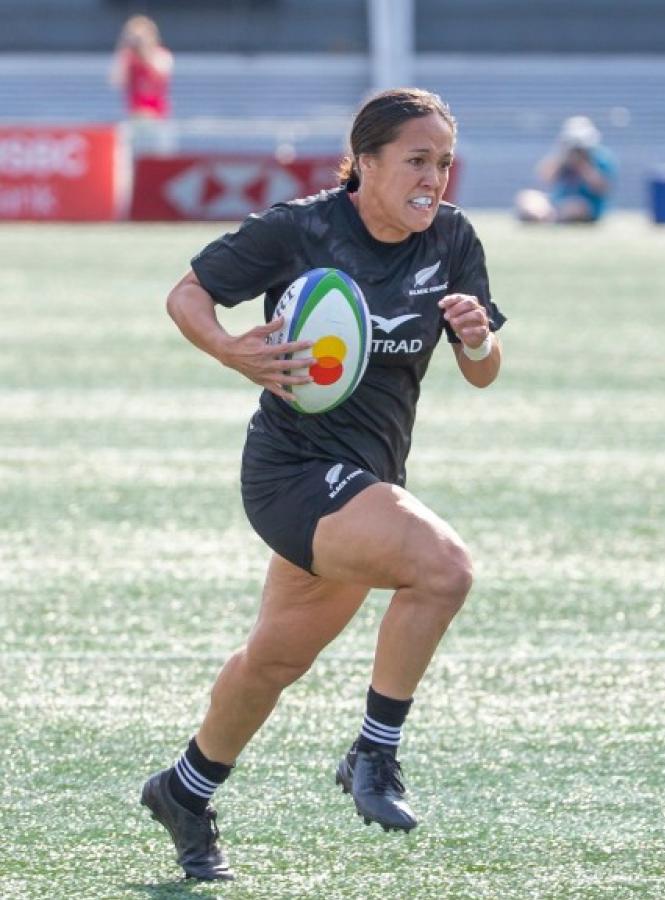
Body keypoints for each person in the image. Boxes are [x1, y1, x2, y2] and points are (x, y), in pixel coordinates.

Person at [141, 87, 506, 881]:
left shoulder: (451, 239)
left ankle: (184, 789)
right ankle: (375, 752)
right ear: (364, 163)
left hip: (366, 478)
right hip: (292, 472)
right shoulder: (300, 227)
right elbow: (187, 293)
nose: (434, 178)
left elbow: (482, 373)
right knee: (444, 569)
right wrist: (229, 349)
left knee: (274, 662)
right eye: (416, 160)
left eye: (443, 162)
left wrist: (477, 342)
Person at [513, 115, 617, 224]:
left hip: (586, 206)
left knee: (575, 207)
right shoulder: (563, 157)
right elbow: (545, 177)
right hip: (557, 202)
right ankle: (543, 216)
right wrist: (562, 156)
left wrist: (583, 166)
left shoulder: (601, 159)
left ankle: (544, 218)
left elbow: (602, 188)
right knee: (526, 197)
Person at [107, 14, 175, 152]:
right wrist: (123, 48)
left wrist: (145, 49)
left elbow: (159, 72)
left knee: (158, 161)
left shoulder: (162, 55)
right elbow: (115, 81)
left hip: (158, 121)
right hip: (135, 120)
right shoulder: (128, 59)